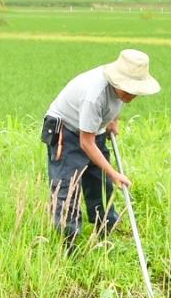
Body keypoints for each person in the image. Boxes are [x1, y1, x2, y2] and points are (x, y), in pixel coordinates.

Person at [41, 48, 161, 248]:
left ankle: (105, 232)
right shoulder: (94, 95)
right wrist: (114, 173)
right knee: (67, 187)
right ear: (118, 82)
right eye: (130, 90)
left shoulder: (122, 91)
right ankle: (68, 244)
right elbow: (85, 142)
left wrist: (113, 120)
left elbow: (114, 103)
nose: (133, 95)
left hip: (93, 129)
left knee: (101, 183)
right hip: (68, 131)